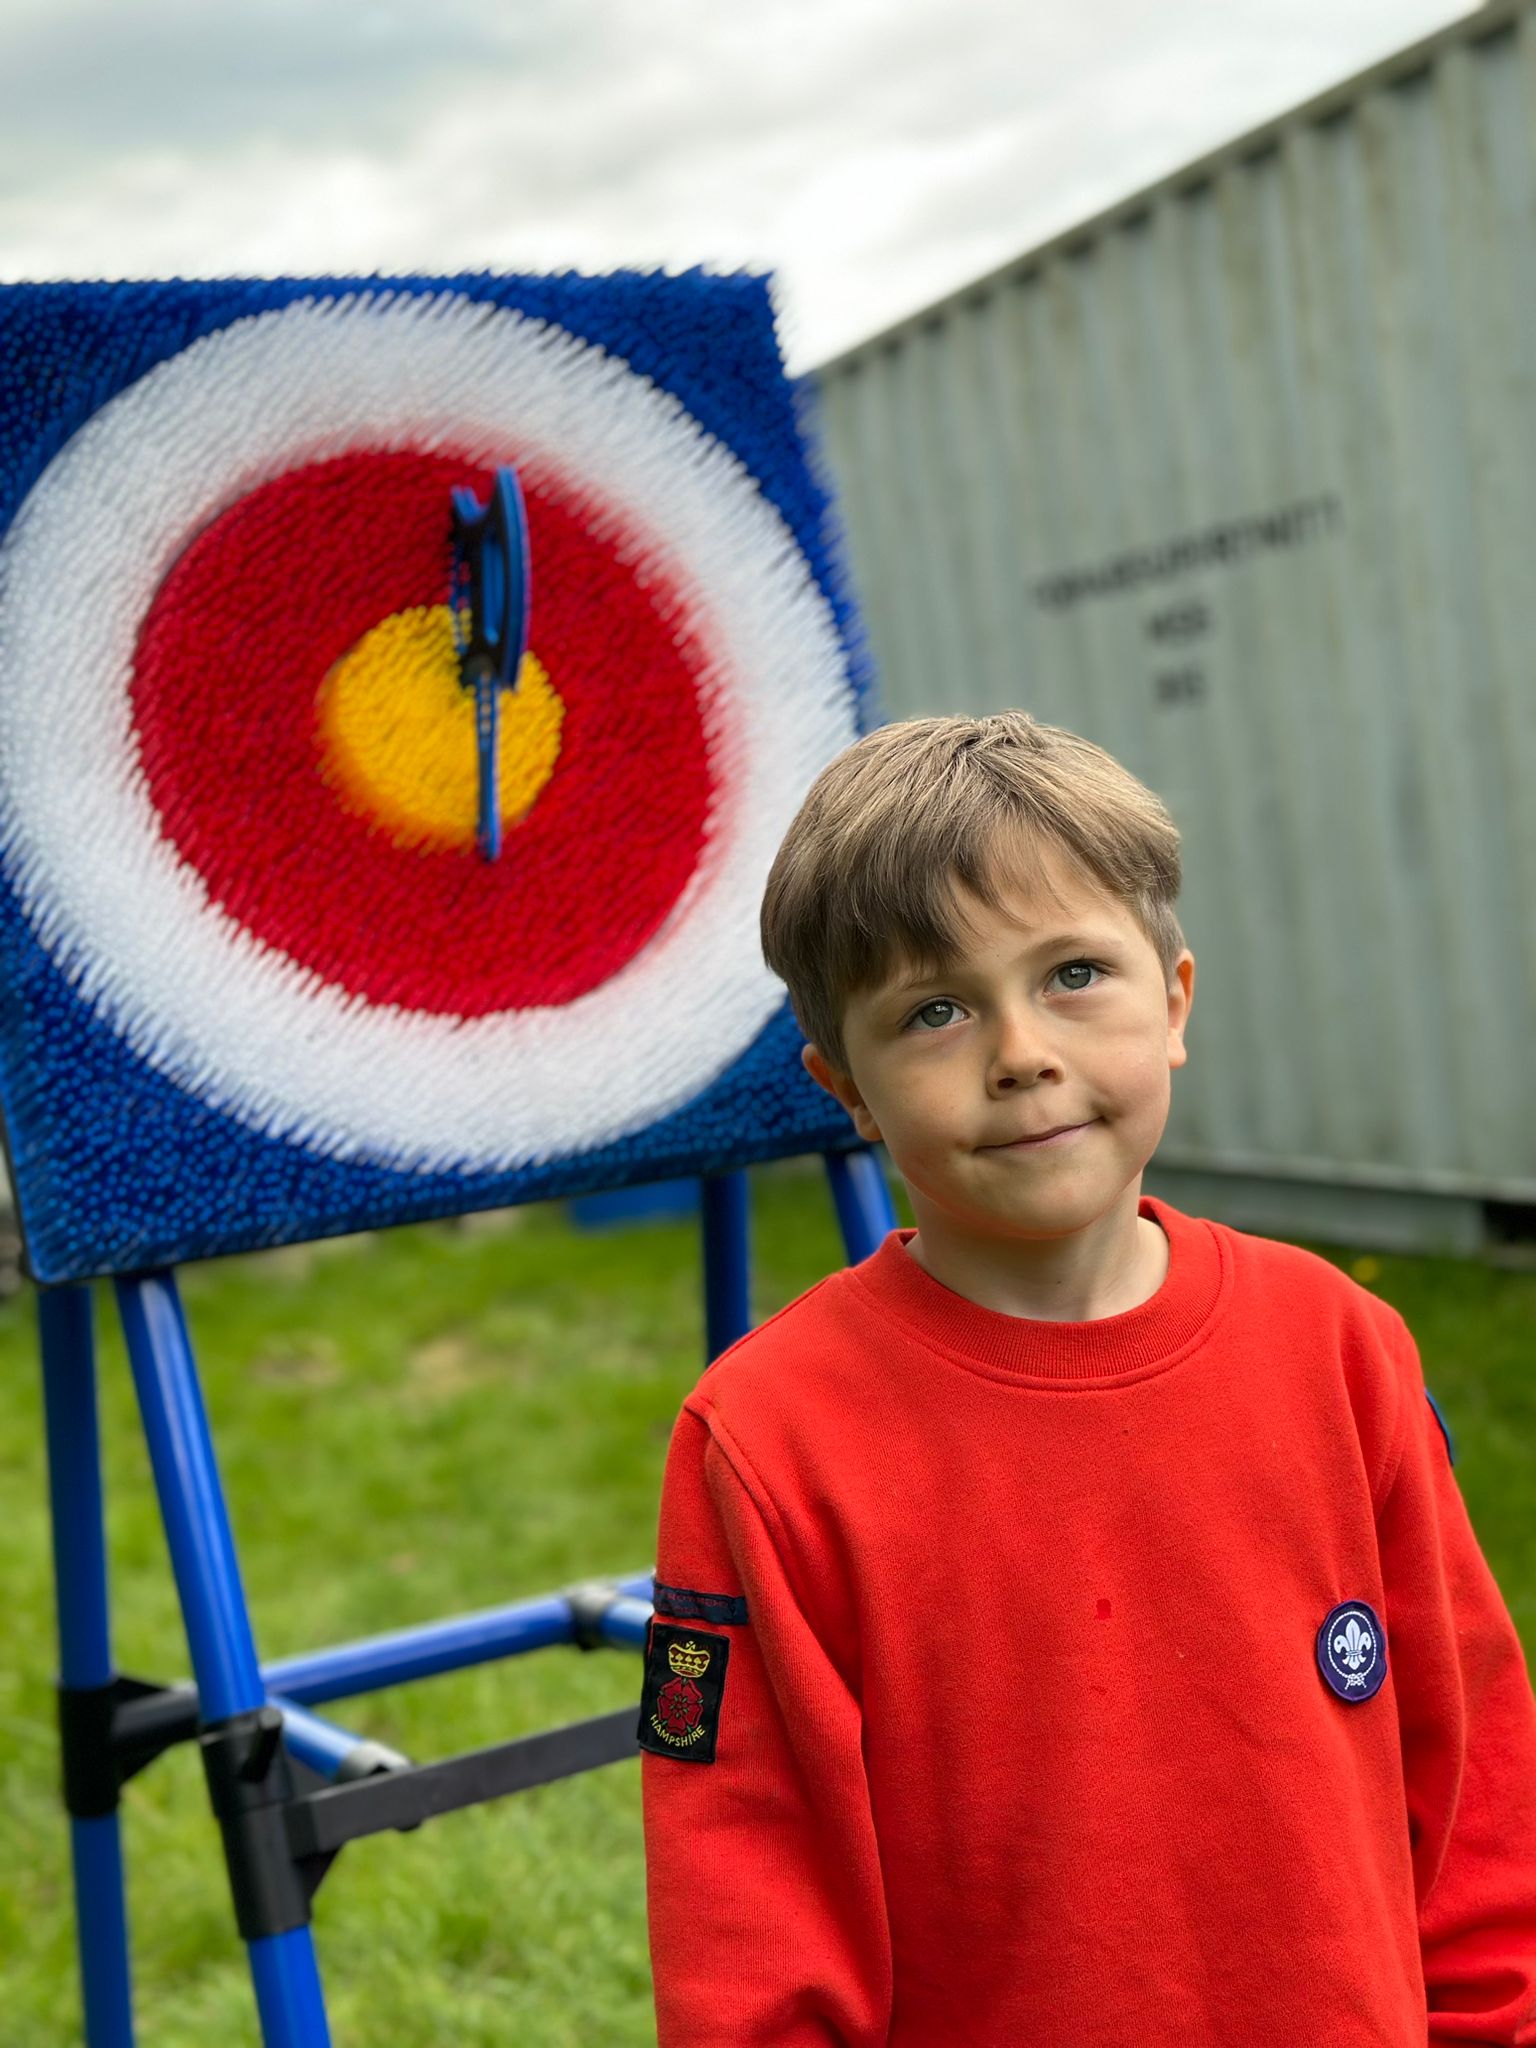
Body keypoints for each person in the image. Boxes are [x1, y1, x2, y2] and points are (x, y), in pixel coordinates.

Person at [637, 711, 1536, 2045]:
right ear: (850, 1092)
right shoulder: (767, 1439)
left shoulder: (1343, 1348)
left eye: (1073, 975)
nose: (1020, 1052)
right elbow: (747, 1912)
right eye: (934, 1010)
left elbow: (1473, 1792)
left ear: (1174, 999)